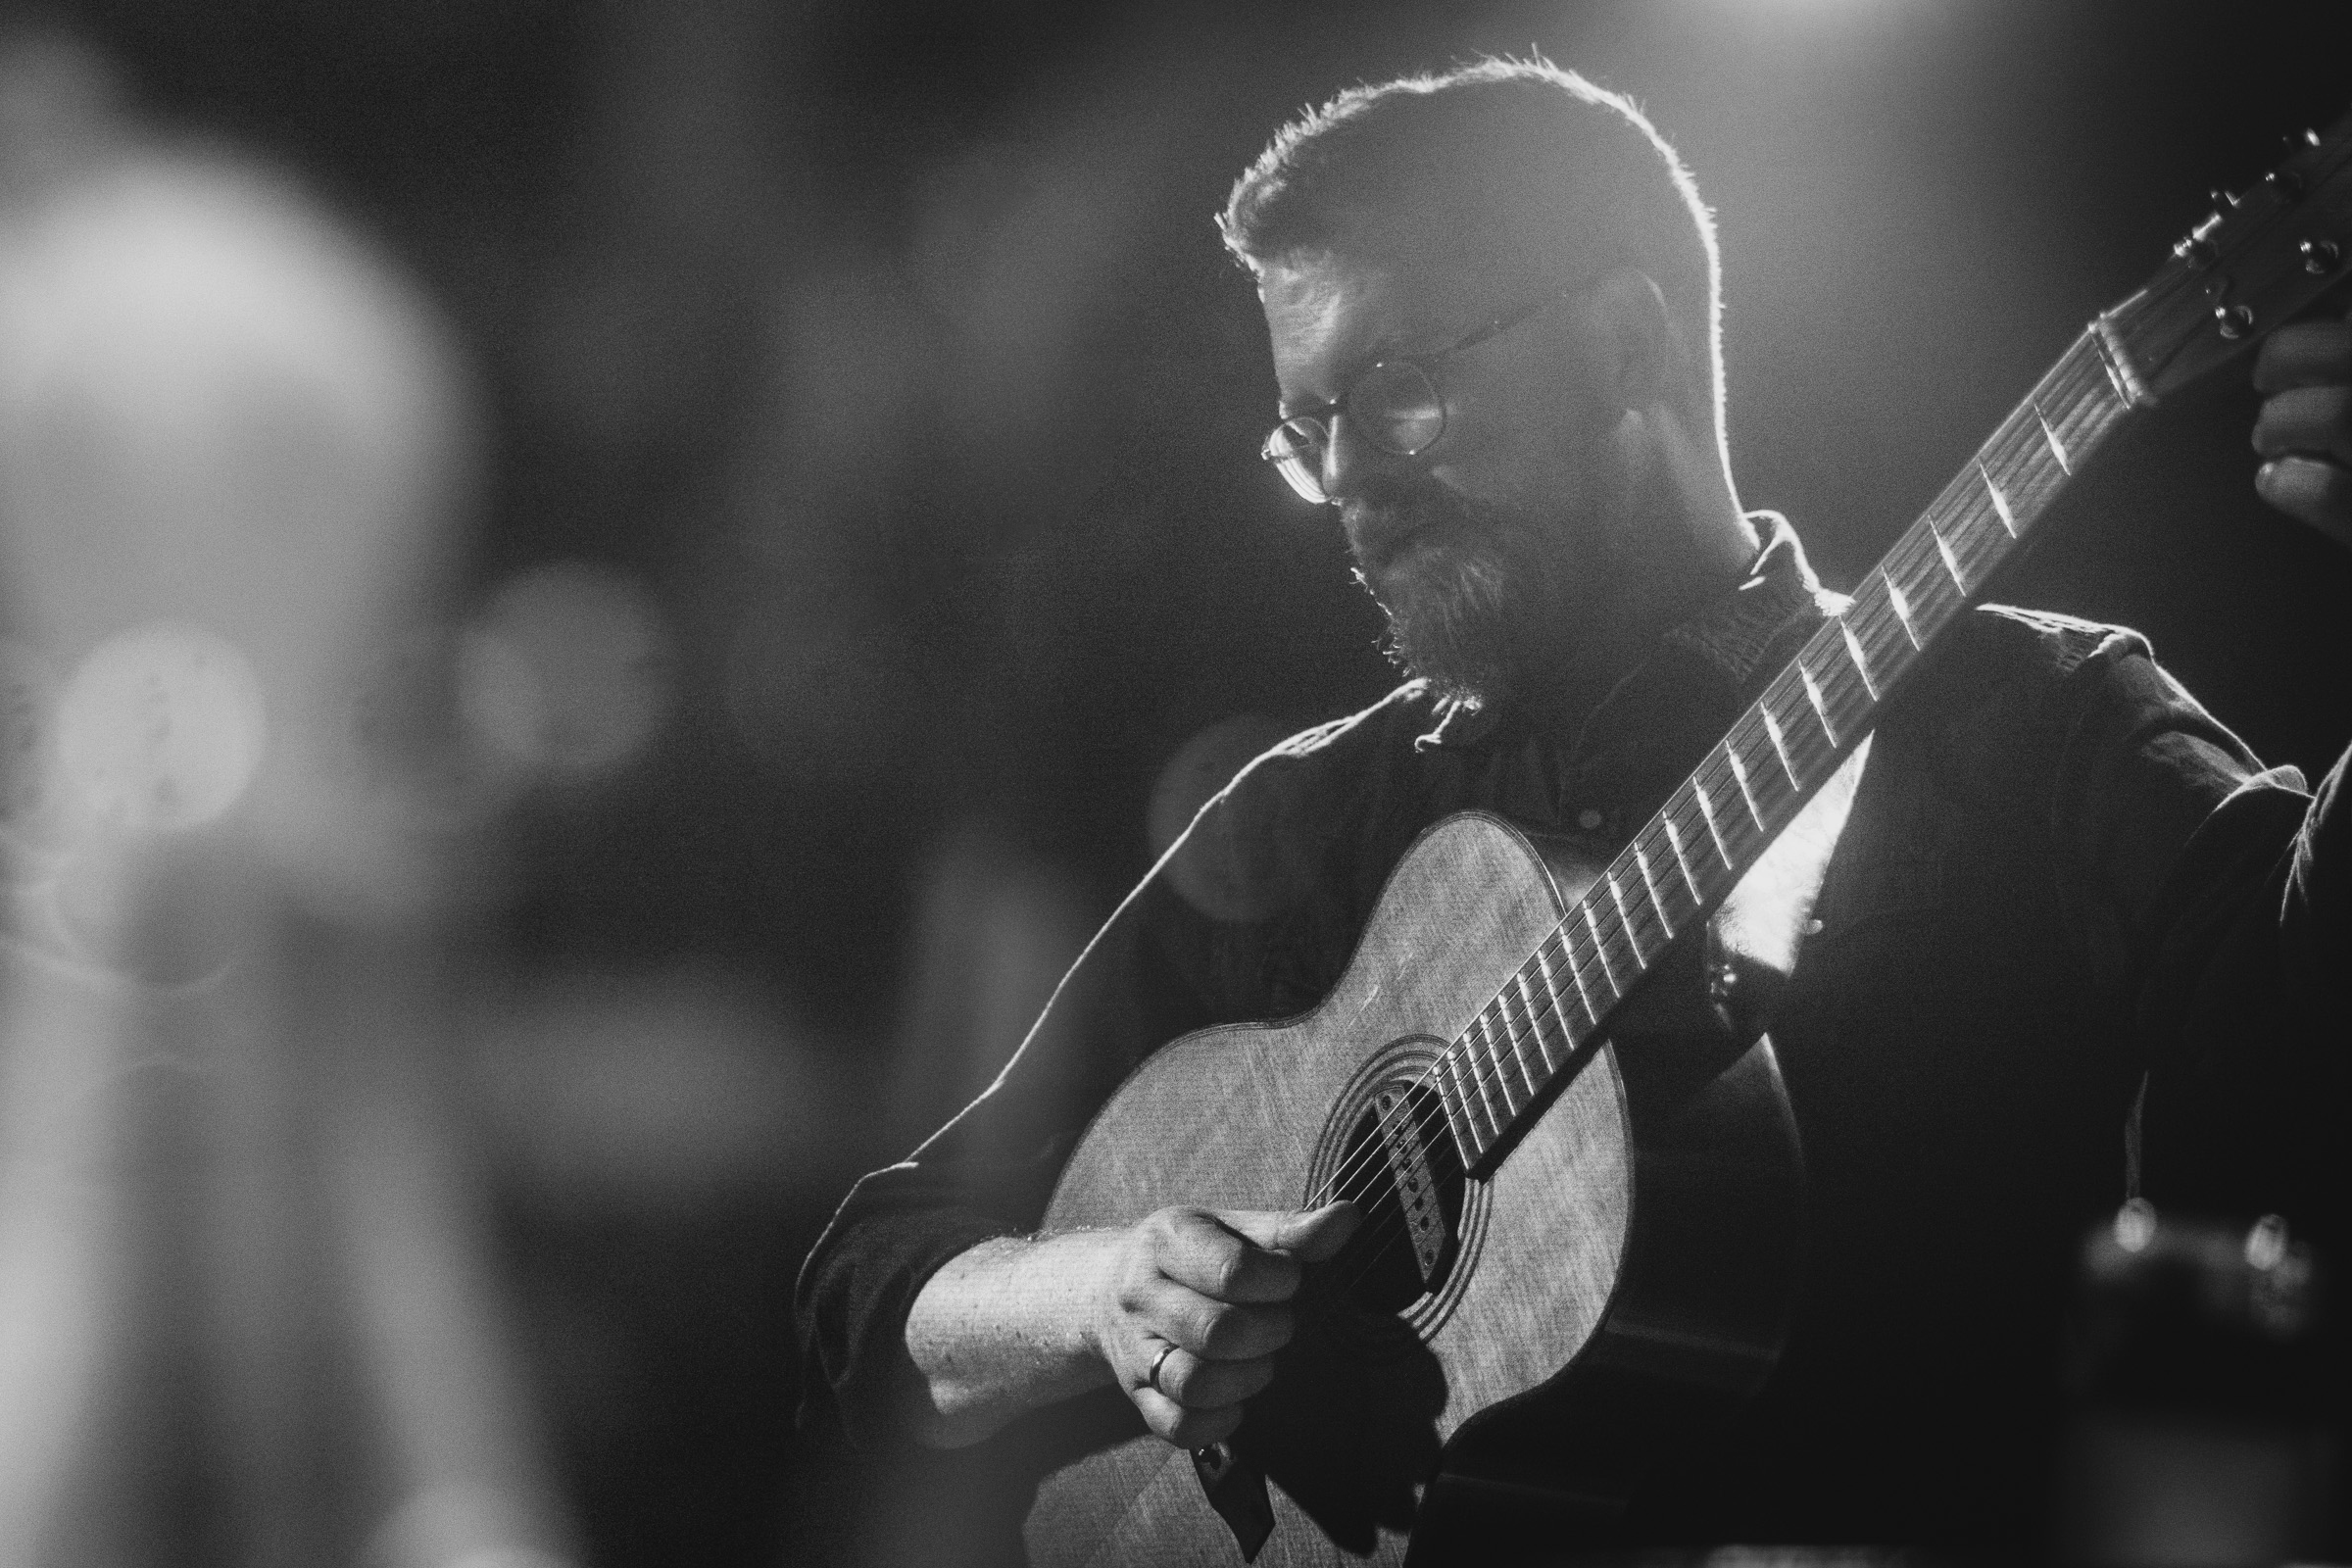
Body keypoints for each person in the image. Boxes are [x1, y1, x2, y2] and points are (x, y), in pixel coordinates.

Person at [796, 59, 2351, 1558]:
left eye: (1396, 392)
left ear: (1621, 342)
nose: (1353, 480)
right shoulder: (1314, 821)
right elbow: (881, 1271)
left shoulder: (2030, 722)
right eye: (1310, 429)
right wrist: (1105, 1291)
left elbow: (2308, 1049)